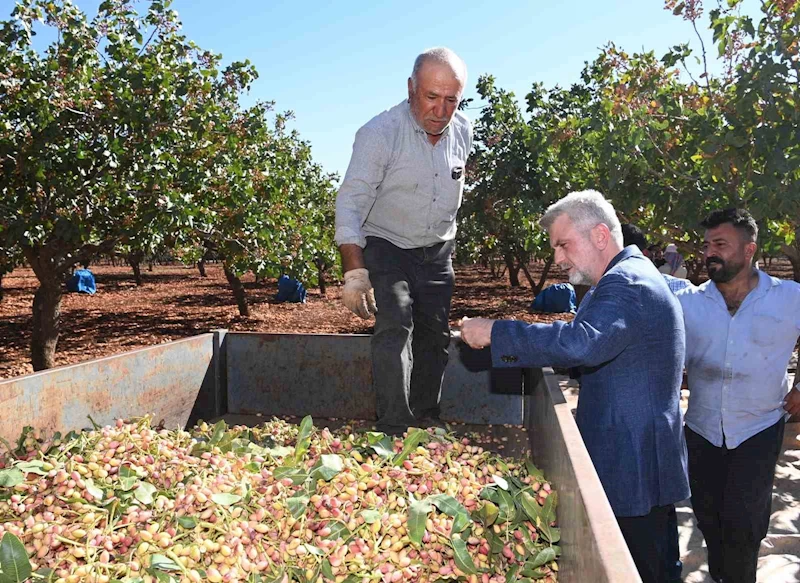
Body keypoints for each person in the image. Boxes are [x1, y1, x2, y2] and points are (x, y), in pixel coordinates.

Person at [461, 190, 690, 583]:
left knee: (643, 564)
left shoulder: (626, 283)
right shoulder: (625, 277)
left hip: (632, 460)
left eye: (563, 245)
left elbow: (581, 342)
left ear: (600, 235)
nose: (557, 259)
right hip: (637, 452)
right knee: (653, 557)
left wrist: (497, 333)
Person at [334, 48, 473, 435]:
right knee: (394, 319)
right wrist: (354, 272)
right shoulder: (380, 133)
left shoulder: (463, 130)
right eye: (431, 97)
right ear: (411, 88)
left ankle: (427, 417)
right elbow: (351, 199)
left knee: (435, 333)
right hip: (388, 244)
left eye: (451, 100)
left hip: (438, 249)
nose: (441, 111)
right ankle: (393, 427)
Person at [675, 208, 800, 583]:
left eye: (720, 244)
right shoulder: (690, 303)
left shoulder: (788, 298)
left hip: (758, 426)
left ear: (749, 251)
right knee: (708, 516)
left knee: (744, 520)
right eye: (707, 245)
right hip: (701, 427)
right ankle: (722, 573)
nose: (709, 252)